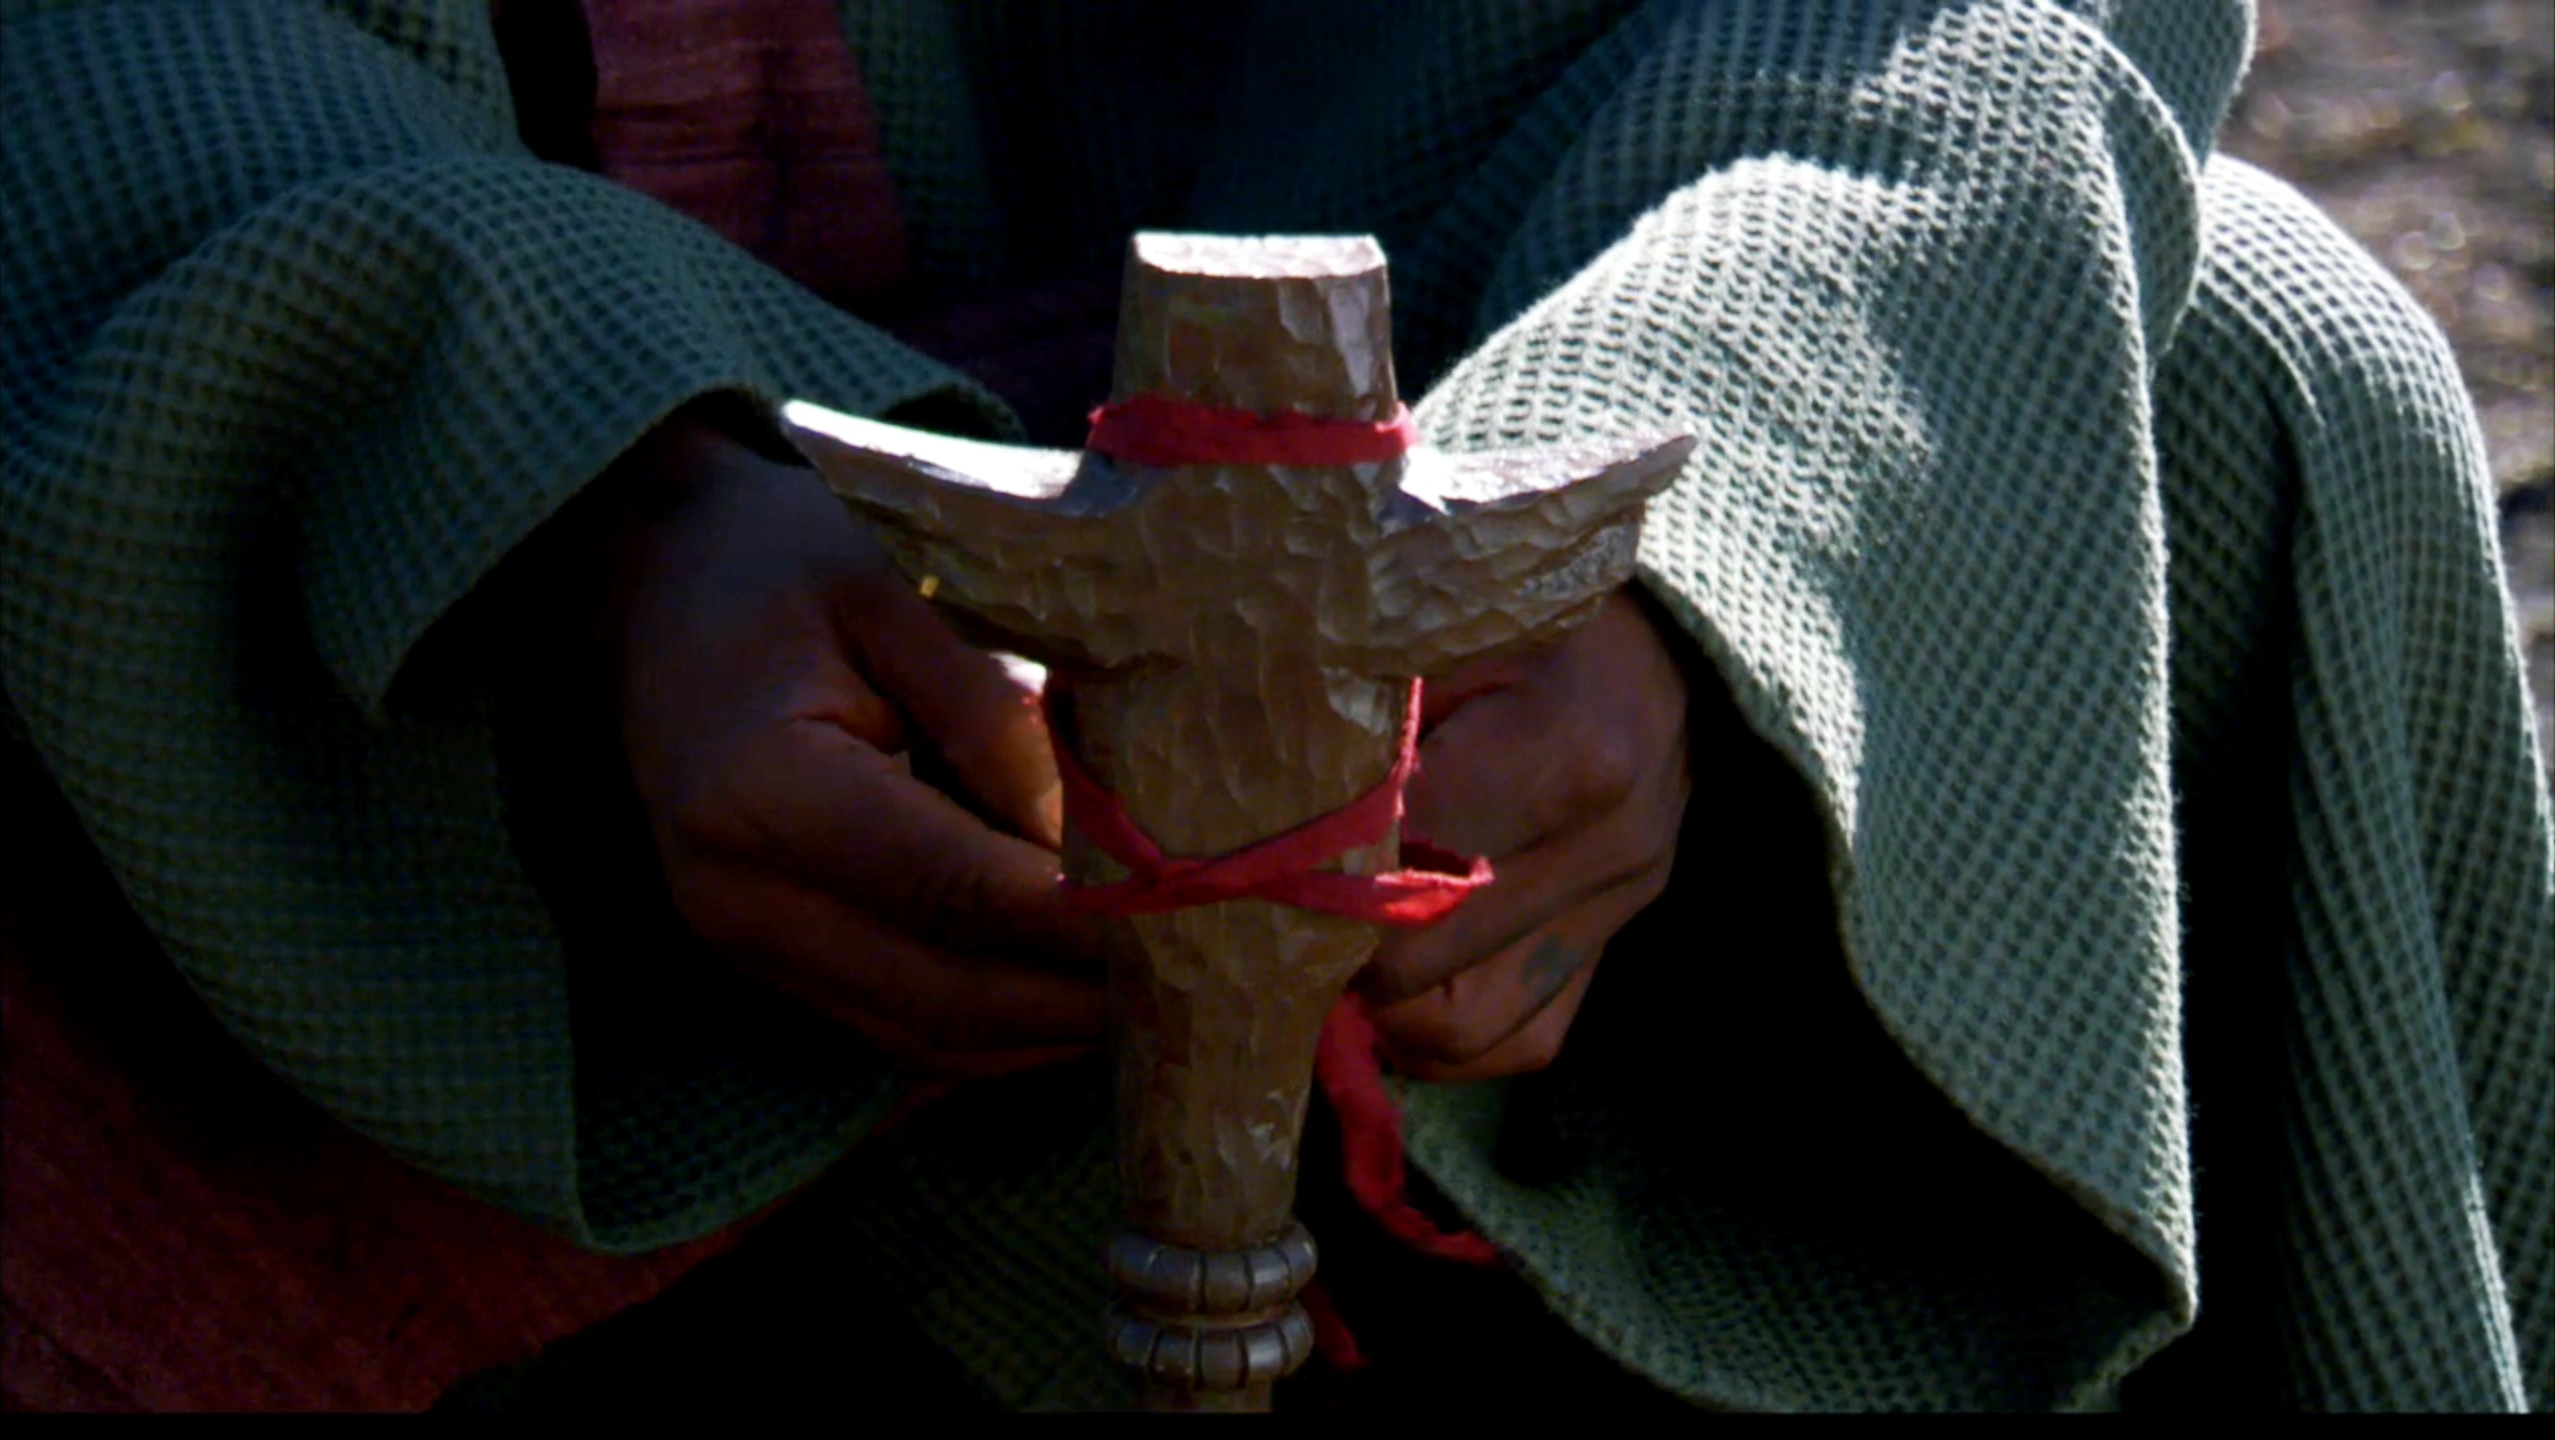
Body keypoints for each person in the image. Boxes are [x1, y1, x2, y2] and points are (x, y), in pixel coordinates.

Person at [1, 0, 2547, 1412]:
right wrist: (567, 470)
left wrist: (1704, 497)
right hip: (369, 409)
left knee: (2248, 371)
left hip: (1465, 288)